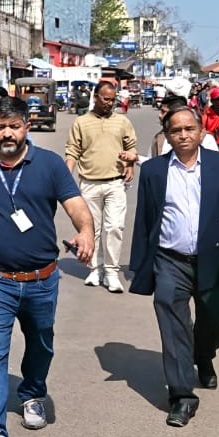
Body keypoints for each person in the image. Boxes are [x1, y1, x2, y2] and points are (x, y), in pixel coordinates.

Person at [0, 96, 94, 437]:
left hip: (42, 279)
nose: (7, 133)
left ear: (26, 128)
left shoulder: (49, 164)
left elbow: (75, 204)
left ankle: (33, 393)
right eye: (0, 126)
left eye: (14, 126)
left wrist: (86, 232)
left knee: (41, 344)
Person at [129, 107, 219, 428]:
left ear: (201, 132)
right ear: (166, 136)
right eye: (176, 130)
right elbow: (145, 219)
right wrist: (141, 265)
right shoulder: (154, 170)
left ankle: (203, 355)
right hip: (170, 260)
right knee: (173, 324)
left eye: (189, 129)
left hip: (216, 259)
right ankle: (182, 396)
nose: (183, 135)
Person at [65, 81, 137, 293]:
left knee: (114, 227)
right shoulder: (81, 122)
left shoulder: (122, 121)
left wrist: (130, 164)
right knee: (91, 229)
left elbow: (131, 147)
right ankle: (95, 269)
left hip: (115, 183)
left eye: (113, 100)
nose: (109, 103)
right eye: (106, 99)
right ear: (95, 97)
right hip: (89, 184)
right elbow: (72, 150)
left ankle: (112, 271)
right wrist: (65, 176)